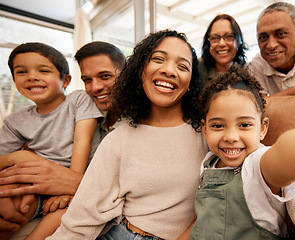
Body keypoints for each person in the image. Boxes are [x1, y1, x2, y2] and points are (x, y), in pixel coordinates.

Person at [46, 29, 208, 240]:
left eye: (182, 66)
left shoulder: (208, 133)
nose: (169, 70)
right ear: (141, 70)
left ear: (190, 83)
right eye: (158, 59)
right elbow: (81, 220)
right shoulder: (118, 139)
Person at [188, 65, 295, 240]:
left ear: (263, 129)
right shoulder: (208, 162)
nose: (231, 137)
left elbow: (284, 158)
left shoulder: (257, 162)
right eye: (218, 126)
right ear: (205, 130)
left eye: (245, 125)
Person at [0, 41, 126, 239]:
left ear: (65, 81)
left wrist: (69, 188)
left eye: (105, 76)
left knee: (66, 213)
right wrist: (22, 157)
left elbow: (82, 144)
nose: (32, 77)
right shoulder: (16, 121)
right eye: (22, 72)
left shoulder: (79, 102)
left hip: (74, 192)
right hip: (36, 186)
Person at [74, 41, 126, 139]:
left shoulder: (144, 121)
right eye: (87, 80)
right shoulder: (89, 117)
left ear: (125, 74)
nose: (95, 87)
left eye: (105, 76)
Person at [199, 14, 247, 82]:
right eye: (214, 38)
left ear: (239, 41)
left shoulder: (247, 71)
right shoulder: (198, 69)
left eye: (229, 36)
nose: (222, 44)